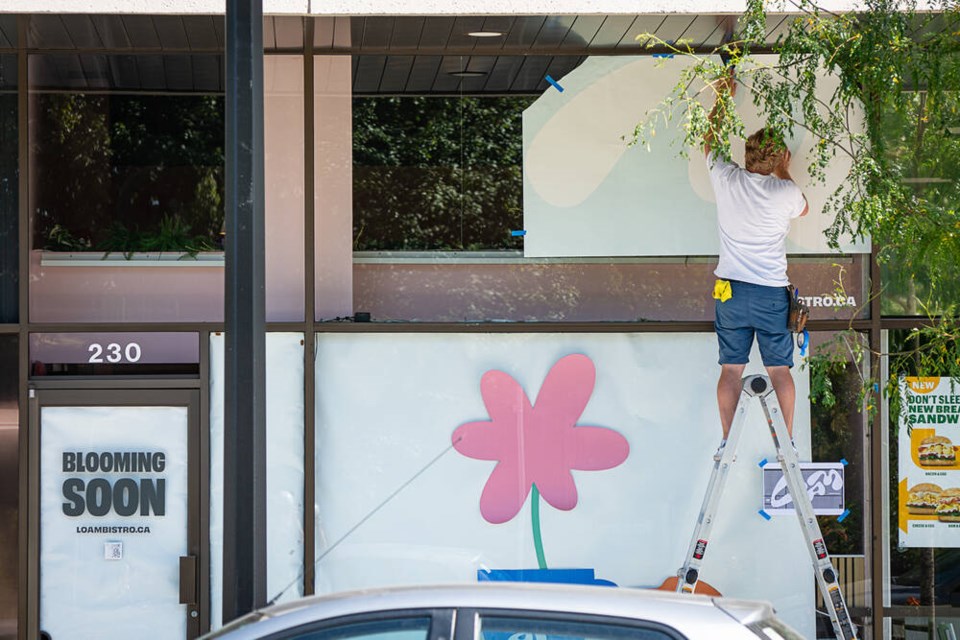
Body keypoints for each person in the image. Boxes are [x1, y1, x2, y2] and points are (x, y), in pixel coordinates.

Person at [704, 70, 809, 460]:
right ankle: (786, 441)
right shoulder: (786, 191)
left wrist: (722, 98)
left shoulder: (726, 177)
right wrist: (783, 170)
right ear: (779, 157)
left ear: (746, 156)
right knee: (780, 371)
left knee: (731, 370)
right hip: (769, 294)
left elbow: (708, 142)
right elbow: (804, 208)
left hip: (729, 290)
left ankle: (728, 440)